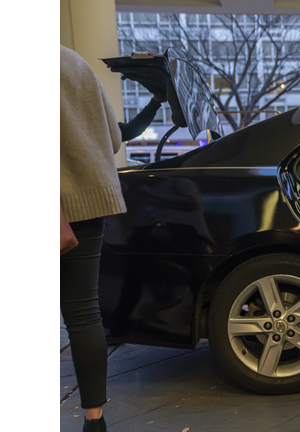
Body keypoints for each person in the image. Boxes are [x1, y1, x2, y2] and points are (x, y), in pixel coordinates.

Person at [60, 45, 128, 432]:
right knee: (83, 312)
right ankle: (95, 421)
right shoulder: (72, 61)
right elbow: (114, 138)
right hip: (87, 201)